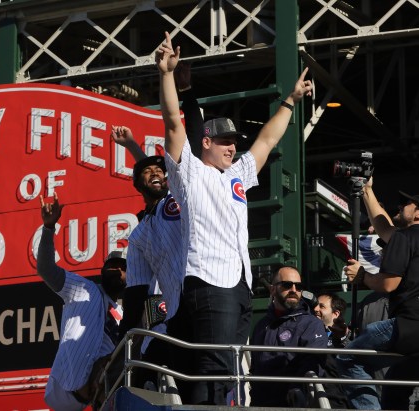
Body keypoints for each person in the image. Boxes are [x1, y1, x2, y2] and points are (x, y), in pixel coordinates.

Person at [155, 30, 313, 405]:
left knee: (223, 368)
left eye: (234, 141)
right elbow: (174, 125)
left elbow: (267, 141)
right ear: (206, 143)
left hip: (238, 283)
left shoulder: (237, 175)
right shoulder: (190, 171)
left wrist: (289, 101)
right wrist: (164, 75)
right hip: (209, 280)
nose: (233, 146)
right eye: (225, 140)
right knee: (213, 368)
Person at [110, 125, 190, 396]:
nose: (156, 173)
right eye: (147, 172)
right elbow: (134, 294)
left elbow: (158, 175)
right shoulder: (140, 232)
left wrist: (133, 147)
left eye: (160, 171)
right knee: (152, 363)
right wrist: (124, 339)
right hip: (168, 308)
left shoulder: (174, 201)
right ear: (136, 184)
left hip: (199, 292)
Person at [37, 193, 127, 411]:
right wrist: (49, 229)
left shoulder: (124, 314)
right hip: (65, 388)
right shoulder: (83, 288)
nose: (117, 270)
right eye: (112, 265)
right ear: (102, 271)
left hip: (97, 398)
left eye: (123, 267)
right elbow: (46, 269)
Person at [337, 191, 419, 410]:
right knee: (395, 387)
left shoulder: (406, 236)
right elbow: (384, 229)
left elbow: (388, 284)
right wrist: (366, 190)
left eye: (407, 203)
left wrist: (362, 276)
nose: (400, 206)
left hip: (409, 325)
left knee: (347, 359)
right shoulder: (405, 237)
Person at [249, 266, 328, 407]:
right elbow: (255, 366)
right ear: (273, 289)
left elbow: (314, 361)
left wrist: (296, 387)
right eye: (287, 285)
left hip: (294, 403)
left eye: (298, 286)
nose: (294, 290)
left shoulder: (311, 323)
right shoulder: (261, 325)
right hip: (260, 403)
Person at [314, 292, 351, 409]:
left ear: (336, 314)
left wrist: (343, 337)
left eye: (321, 306)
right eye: (315, 305)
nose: (315, 309)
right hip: (314, 400)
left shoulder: (346, 336)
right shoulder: (309, 334)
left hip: (340, 402)